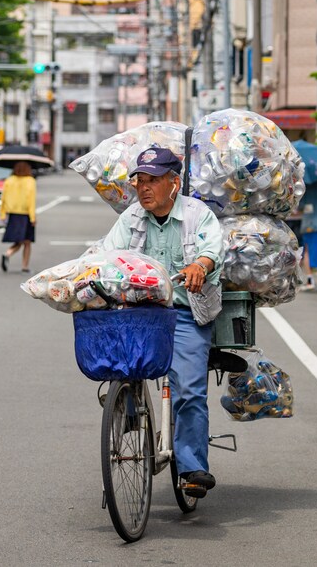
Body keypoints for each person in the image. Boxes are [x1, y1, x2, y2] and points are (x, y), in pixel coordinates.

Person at [99, 146, 224, 499]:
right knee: (121, 366)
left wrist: (201, 265)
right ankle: (126, 411)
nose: (144, 187)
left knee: (189, 389)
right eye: (140, 180)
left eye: (153, 180)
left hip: (185, 312)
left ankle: (192, 467)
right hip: (141, 312)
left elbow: (212, 248)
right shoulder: (132, 217)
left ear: (174, 182)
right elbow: (110, 253)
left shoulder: (197, 214)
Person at [0, 161, 37, 273]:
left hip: (13, 215)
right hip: (25, 214)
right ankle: (25, 266)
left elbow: (3, 198)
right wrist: (33, 217)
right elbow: (31, 201)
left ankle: (8, 253)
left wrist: (2, 213)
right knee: (27, 242)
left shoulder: (9, 180)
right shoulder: (31, 181)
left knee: (18, 241)